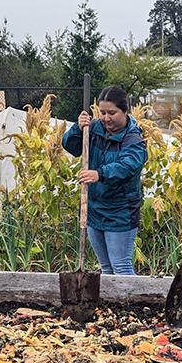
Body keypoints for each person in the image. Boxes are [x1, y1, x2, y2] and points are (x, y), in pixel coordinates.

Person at [62, 85, 147, 275]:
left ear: (125, 111)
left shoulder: (133, 139)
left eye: (112, 113)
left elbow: (128, 166)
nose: (106, 118)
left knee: (121, 266)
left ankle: (131, 303)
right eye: (102, 112)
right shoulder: (94, 129)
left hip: (120, 212)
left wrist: (99, 173)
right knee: (106, 267)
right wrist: (78, 127)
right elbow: (71, 146)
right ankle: (111, 305)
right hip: (94, 209)